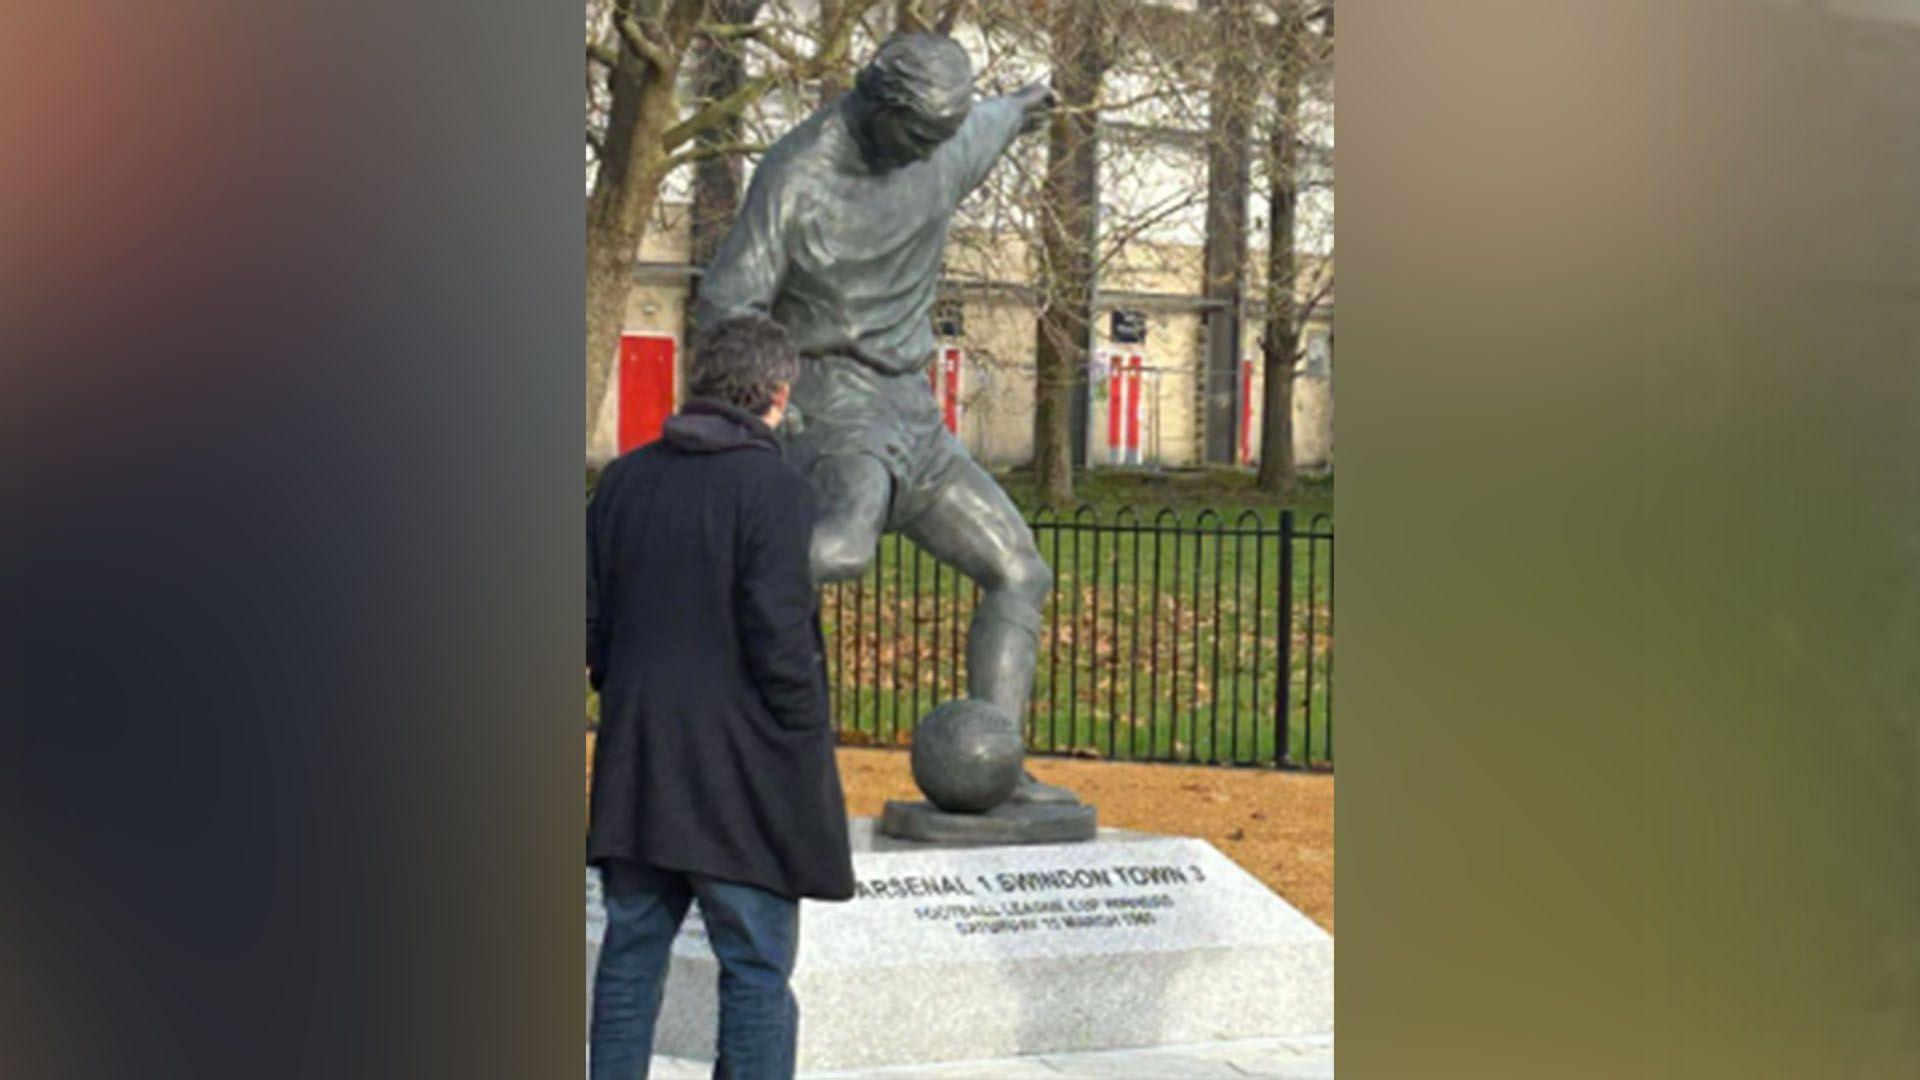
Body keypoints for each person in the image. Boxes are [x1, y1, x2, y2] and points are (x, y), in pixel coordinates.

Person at [694, 33, 1078, 808]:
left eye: (945, 138)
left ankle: (995, 770)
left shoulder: (940, 140)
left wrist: (1030, 103)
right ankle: (698, 616)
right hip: (832, 408)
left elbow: (998, 118)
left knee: (1019, 571)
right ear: (879, 101)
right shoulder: (795, 178)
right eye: (921, 137)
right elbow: (727, 306)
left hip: (914, 417)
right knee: (840, 547)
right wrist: (780, 411)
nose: (932, 155)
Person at [586, 316, 853, 1079]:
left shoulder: (625, 480)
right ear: (775, 392)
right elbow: (779, 636)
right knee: (757, 965)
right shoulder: (774, 487)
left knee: (630, 958)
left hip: (640, 760)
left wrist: (624, 688)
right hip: (745, 772)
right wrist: (804, 734)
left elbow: (587, 617)